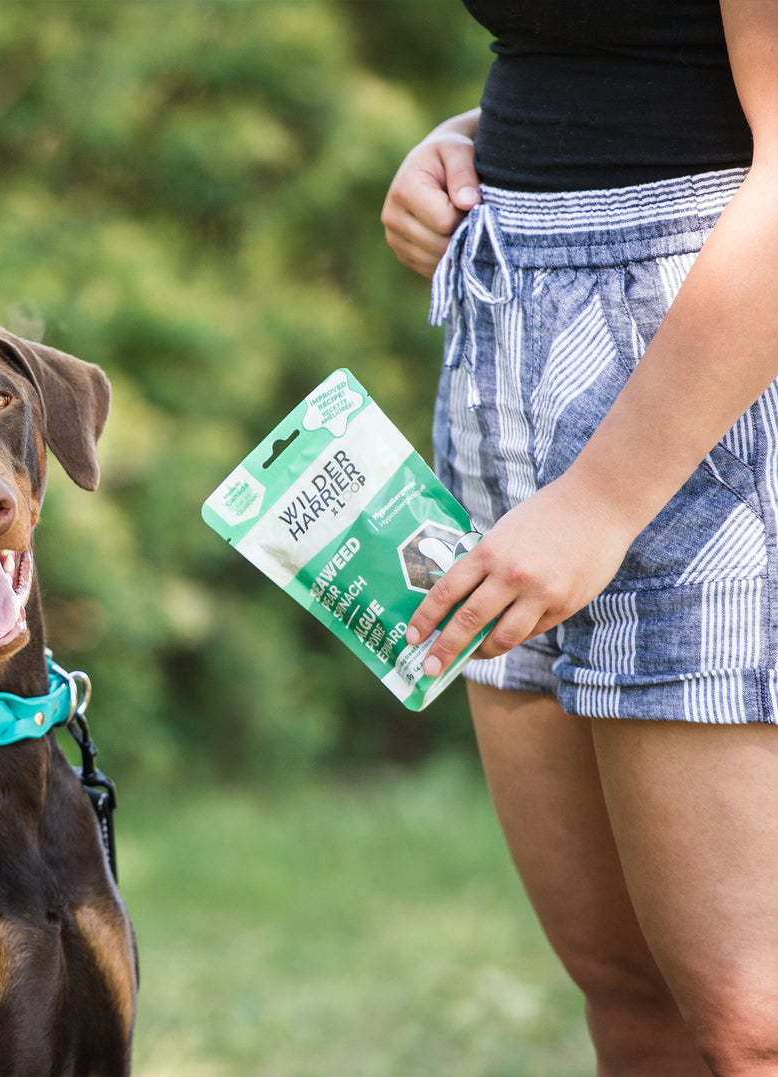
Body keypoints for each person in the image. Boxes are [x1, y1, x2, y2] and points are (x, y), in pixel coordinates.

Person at [381, 1, 778, 1073]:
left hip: (707, 366)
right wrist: (481, 139)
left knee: (753, 1028)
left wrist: (601, 502)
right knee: (629, 996)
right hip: (509, 338)